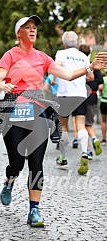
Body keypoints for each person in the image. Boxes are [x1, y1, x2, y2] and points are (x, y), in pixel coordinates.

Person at [0, 15, 107, 227]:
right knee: (16, 164)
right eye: (28, 27)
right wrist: (3, 85)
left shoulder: (43, 57)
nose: (33, 30)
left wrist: (90, 67)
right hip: (14, 112)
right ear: (19, 33)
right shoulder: (10, 55)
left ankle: (34, 210)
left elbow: (69, 75)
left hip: (37, 113)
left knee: (36, 163)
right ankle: (9, 181)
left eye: (34, 27)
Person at [54, 31, 95, 175]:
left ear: (64, 42)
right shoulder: (83, 56)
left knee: (63, 126)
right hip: (80, 94)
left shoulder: (61, 53)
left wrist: (55, 77)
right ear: (76, 42)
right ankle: (84, 152)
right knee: (81, 125)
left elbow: (57, 66)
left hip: (65, 94)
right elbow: (90, 76)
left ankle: (63, 157)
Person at [79, 44, 103, 160]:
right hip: (93, 97)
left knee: (82, 124)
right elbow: (101, 85)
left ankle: (88, 148)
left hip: (82, 96)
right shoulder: (95, 66)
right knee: (89, 123)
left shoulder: (80, 66)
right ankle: (94, 139)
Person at [99, 69, 107, 145]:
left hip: (104, 101)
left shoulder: (103, 79)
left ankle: (104, 139)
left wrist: (101, 93)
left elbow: (100, 88)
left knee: (104, 121)